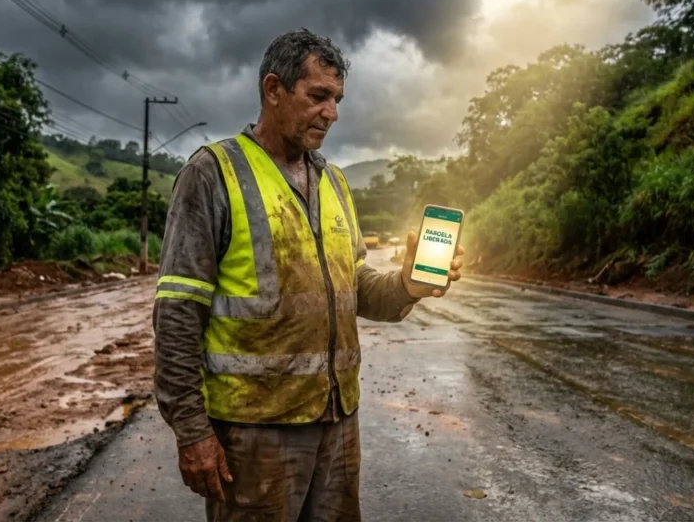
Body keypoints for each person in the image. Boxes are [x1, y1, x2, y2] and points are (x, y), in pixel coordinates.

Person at [153, 27, 464, 522]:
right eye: (318, 96)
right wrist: (192, 430)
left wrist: (409, 283)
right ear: (273, 90)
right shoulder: (212, 174)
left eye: (337, 100)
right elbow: (176, 314)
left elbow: (354, 285)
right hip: (254, 431)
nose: (332, 113)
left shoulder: (335, 181)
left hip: (337, 423)